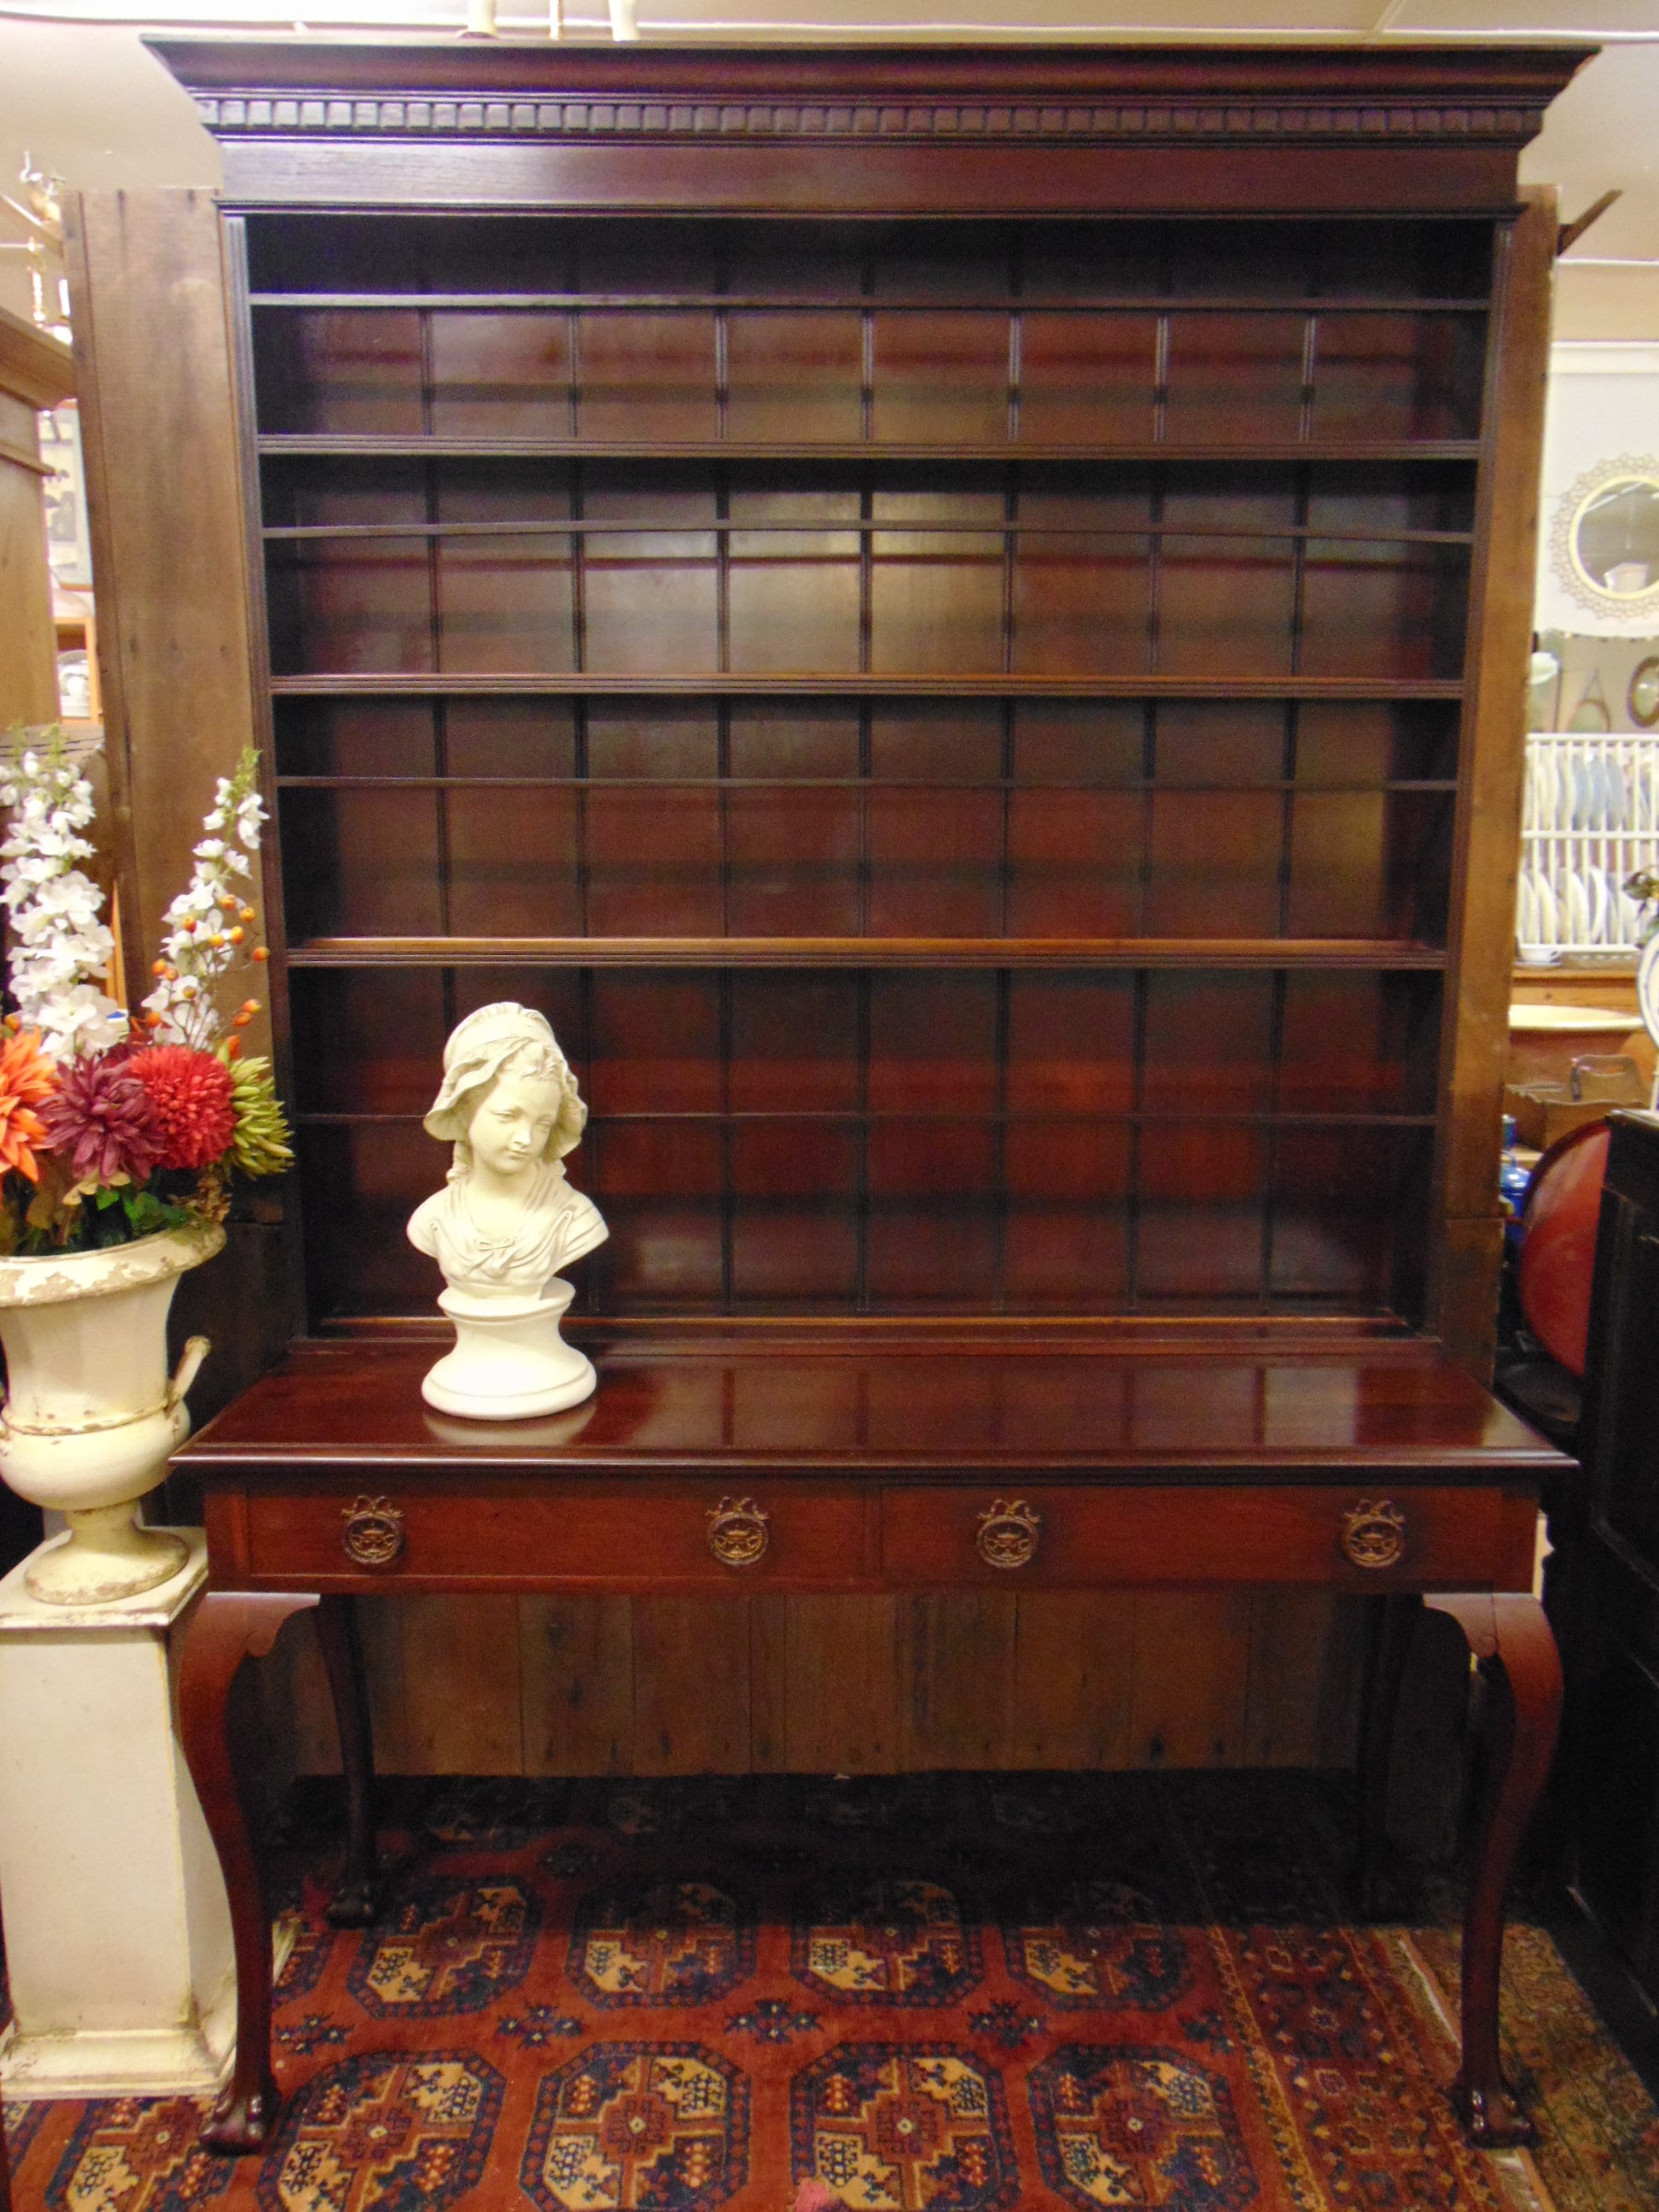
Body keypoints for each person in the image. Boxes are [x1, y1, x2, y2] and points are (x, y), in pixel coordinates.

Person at [408, 1002, 607, 1313]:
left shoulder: (575, 1218)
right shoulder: (432, 1220)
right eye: (507, 1115)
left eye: (542, 1123)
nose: (525, 1140)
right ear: (463, 1109)